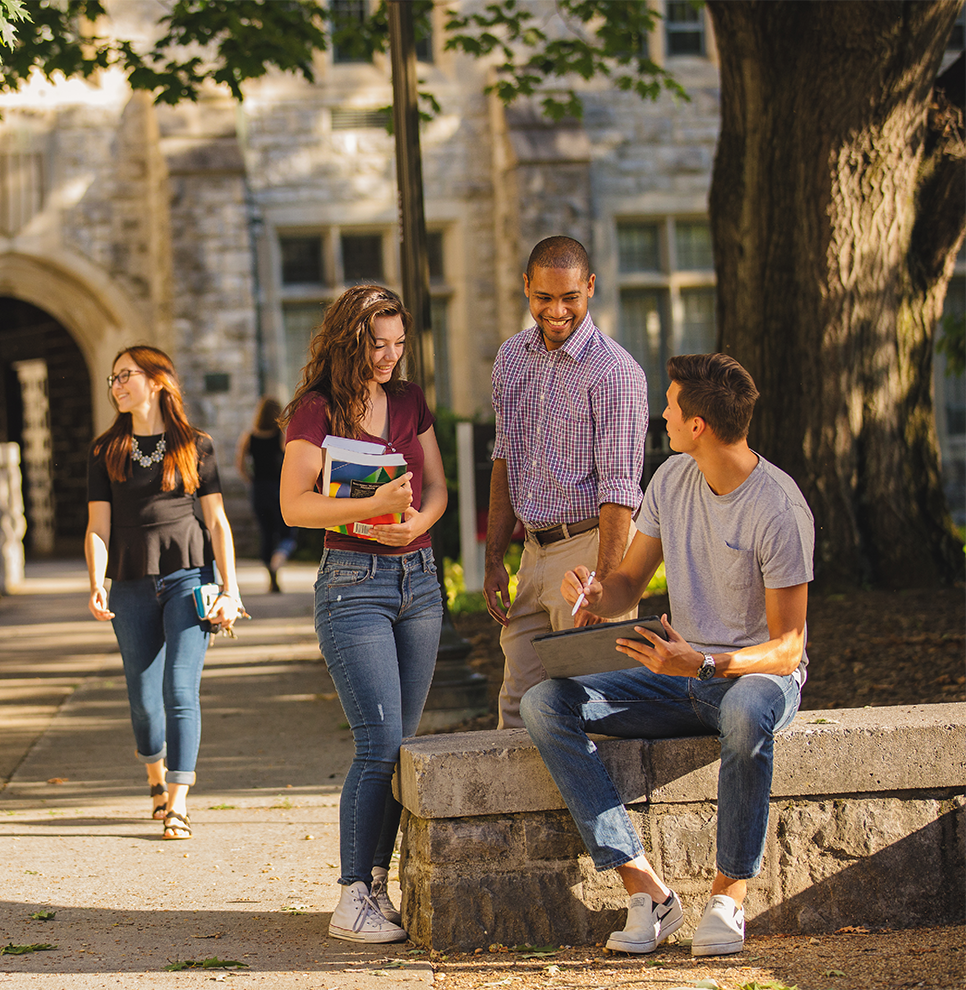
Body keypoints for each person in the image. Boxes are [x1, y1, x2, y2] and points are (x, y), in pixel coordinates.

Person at [522, 353, 813, 957]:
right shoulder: (671, 480)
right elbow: (629, 583)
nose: (663, 413)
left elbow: (788, 650)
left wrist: (706, 664)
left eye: (672, 404)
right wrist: (597, 591)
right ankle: (647, 890)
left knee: (745, 711)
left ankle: (727, 899)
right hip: (677, 672)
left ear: (699, 425)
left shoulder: (778, 509)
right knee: (546, 702)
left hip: (752, 676)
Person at [278, 284, 448, 943]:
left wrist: (417, 526)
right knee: (376, 743)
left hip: (421, 581)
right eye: (378, 344)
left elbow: (434, 487)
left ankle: (377, 883)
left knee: (401, 747)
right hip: (353, 585)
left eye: (399, 344)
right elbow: (295, 505)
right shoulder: (315, 410)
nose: (390, 355)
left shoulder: (408, 400)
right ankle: (350, 897)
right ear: (349, 340)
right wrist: (366, 512)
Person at [485, 235, 648, 728]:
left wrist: (606, 584)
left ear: (590, 288)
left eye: (569, 297)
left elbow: (620, 491)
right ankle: (514, 809)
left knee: (591, 704)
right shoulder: (512, 358)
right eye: (544, 297)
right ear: (527, 288)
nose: (556, 311)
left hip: (590, 549)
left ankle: (600, 807)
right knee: (516, 706)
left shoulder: (615, 373)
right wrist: (495, 558)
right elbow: (504, 458)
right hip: (532, 555)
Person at [84, 345, 244, 841]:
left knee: (180, 689)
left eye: (125, 375)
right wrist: (95, 580)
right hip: (130, 582)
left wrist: (230, 588)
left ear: (157, 380)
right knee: (143, 699)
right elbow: (97, 527)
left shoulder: (195, 445)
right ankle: (154, 776)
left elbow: (217, 521)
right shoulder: (106, 449)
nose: (117, 385)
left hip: (189, 578)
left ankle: (177, 802)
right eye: (112, 379)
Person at [236, 397, 298, 593]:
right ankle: (278, 559)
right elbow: (291, 461)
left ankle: (272, 574)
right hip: (278, 489)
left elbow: (240, 464)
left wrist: (250, 480)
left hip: (259, 490)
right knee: (288, 533)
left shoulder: (249, 436)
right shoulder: (281, 436)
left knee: (266, 534)